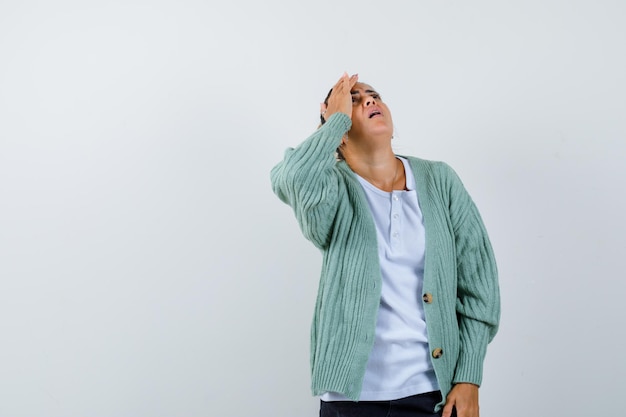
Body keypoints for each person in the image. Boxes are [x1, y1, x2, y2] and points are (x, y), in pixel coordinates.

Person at [270, 73, 500, 417]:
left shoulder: (439, 180)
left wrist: (469, 379)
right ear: (338, 130)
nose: (369, 101)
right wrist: (333, 123)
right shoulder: (333, 190)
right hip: (350, 400)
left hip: (433, 392)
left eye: (373, 95)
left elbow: (480, 287)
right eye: (354, 101)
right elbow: (291, 178)